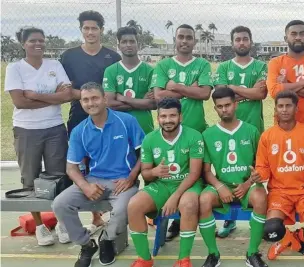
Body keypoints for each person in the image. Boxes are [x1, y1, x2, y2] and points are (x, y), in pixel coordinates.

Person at [52, 82, 144, 267]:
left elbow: (145, 154)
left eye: (94, 98)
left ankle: (106, 240)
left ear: (104, 99)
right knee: (60, 204)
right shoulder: (79, 131)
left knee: (122, 211)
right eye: (85, 100)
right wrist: (85, 186)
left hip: (124, 181)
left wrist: (131, 177)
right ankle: (87, 244)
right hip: (94, 181)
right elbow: (72, 168)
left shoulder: (126, 121)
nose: (90, 103)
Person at [4, 27, 73, 246]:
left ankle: (62, 222)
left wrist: (35, 95)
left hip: (54, 128)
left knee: (58, 178)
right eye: (33, 40)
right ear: (23, 44)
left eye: (42, 40)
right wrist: (53, 97)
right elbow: (20, 102)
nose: (38, 44)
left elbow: (67, 95)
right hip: (26, 129)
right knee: (30, 179)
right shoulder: (15, 68)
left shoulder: (55, 66)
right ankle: (40, 226)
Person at [150, 23, 213, 240]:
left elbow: (205, 94)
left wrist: (174, 87)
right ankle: (173, 220)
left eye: (188, 37)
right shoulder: (163, 65)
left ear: (194, 41)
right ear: (175, 40)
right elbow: (159, 97)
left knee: (197, 177)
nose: (184, 41)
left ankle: (203, 216)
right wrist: (190, 89)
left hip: (196, 130)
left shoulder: (203, 64)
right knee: (172, 176)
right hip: (169, 132)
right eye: (181, 37)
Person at [60, 10, 121, 232]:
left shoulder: (112, 57)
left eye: (94, 28)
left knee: (104, 164)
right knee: (81, 165)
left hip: (107, 119)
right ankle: (85, 217)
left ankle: (112, 214)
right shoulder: (69, 56)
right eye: (86, 28)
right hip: (79, 117)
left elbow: (115, 88)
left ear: (101, 30)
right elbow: (64, 89)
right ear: (81, 30)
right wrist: (89, 98)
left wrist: (101, 101)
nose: (90, 32)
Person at [126, 97, 205, 267]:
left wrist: (175, 197)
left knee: (189, 204)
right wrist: (154, 172)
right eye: (163, 116)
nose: (168, 120)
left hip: (188, 184)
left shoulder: (194, 136)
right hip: (161, 185)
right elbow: (146, 174)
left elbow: (194, 173)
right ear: (158, 118)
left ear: (180, 117)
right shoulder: (149, 139)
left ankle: (183, 259)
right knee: (134, 205)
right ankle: (144, 259)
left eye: (172, 116)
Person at [199, 88, 268, 267]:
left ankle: (252, 252)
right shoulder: (208, 135)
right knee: (204, 199)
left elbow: (259, 166)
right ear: (215, 109)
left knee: (261, 197)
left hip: (247, 184)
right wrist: (220, 186)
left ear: (235, 104)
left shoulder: (251, 131)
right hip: (222, 184)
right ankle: (213, 254)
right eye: (219, 106)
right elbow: (206, 171)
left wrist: (248, 183)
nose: (224, 109)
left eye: (227, 105)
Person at [256, 91, 304, 261]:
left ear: (296, 108)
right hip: (279, 192)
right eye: (280, 106)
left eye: (288, 105)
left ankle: (298, 238)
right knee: (270, 230)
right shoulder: (267, 136)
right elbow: (262, 167)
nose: (284, 109)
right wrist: (258, 176)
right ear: (275, 109)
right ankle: (291, 241)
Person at [213, 26, 268, 236]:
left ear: (251, 42)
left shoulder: (261, 66)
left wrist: (232, 88)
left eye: (245, 39)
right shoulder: (224, 66)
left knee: (256, 171)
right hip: (227, 128)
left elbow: (261, 93)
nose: (242, 43)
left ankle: (259, 220)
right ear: (232, 43)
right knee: (227, 170)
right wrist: (248, 92)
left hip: (253, 128)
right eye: (238, 39)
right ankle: (230, 219)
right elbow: (220, 95)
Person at [103, 26, 156, 134]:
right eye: (124, 42)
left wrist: (123, 98)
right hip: (118, 129)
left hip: (144, 129)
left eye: (132, 41)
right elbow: (109, 104)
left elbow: (153, 104)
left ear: (138, 44)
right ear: (119, 45)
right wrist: (141, 102)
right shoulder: (111, 71)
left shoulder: (150, 70)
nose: (128, 44)